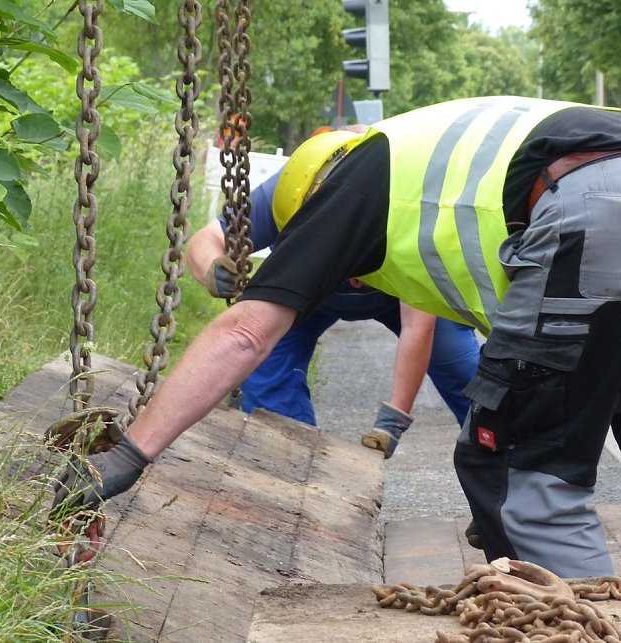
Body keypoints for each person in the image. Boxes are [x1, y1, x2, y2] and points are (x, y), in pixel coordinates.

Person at [53, 96, 621, 579]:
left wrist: (131, 453)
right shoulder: (400, 163)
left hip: (587, 212)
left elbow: (249, 331)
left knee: (520, 471)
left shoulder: (353, 191)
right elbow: (214, 247)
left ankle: (571, 621)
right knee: (497, 447)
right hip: (590, 204)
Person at [185, 128, 480, 458]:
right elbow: (204, 240)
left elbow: (418, 327)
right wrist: (215, 269)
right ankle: (290, 467)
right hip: (310, 289)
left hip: (400, 291)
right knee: (265, 372)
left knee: (474, 385)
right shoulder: (287, 190)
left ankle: (505, 478)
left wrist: (393, 421)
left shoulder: (404, 206)